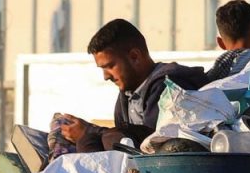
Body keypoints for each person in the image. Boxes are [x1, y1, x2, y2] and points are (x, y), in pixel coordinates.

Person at [54, 19, 211, 152]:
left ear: (135, 57)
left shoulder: (170, 87)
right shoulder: (126, 95)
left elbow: (154, 140)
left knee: (106, 138)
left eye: (110, 66)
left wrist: (89, 131)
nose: (106, 76)